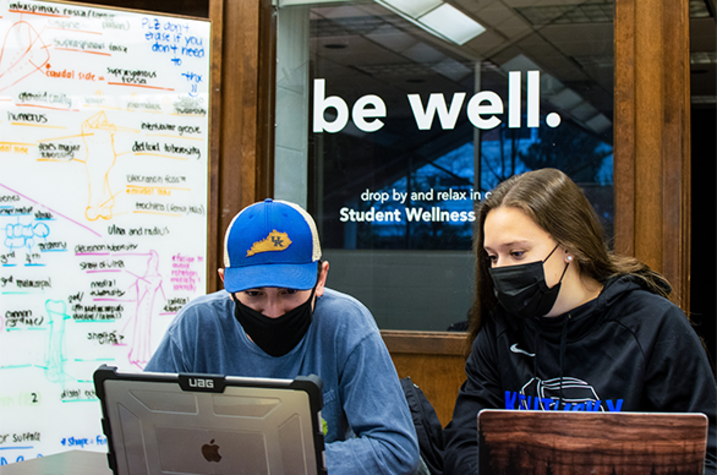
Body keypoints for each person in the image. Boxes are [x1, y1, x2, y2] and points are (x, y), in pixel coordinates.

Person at [443, 168, 717, 474]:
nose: (501, 269)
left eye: (517, 253)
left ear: (569, 247)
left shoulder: (655, 325)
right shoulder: (500, 330)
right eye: (493, 257)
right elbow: (464, 442)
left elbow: (704, 455)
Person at [145, 198, 420, 475]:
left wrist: (281, 459)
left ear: (320, 278)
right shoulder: (196, 325)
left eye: (289, 292)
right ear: (226, 283)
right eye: (254, 294)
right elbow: (141, 430)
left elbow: (395, 449)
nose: (274, 312)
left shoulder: (346, 324)